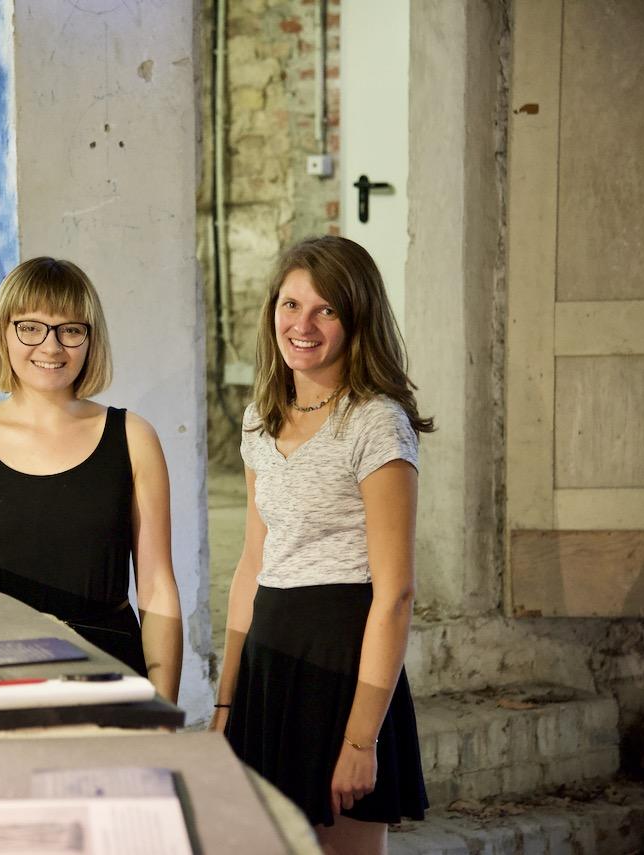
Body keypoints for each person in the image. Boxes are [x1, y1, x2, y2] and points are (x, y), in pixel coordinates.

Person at [212, 235, 431, 853]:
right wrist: (228, 702)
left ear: (355, 319)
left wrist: (361, 741)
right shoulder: (261, 417)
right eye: (290, 305)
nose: (301, 325)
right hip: (270, 658)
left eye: (325, 310)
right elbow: (252, 565)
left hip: (343, 661)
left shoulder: (374, 421)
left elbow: (395, 593)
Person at [0, 256, 182, 702]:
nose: (51, 347)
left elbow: (157, 588)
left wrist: (162, 703)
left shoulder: (134, 437)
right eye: (31, 327)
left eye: (71, 330)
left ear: (90, 339)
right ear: (4, 332)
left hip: (111, 672)